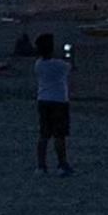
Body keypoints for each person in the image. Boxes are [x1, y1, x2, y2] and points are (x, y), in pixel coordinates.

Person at [34, 32, 73, 177]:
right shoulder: (59, 65)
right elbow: (70, 67)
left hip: (43, 100)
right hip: (59, 101)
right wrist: (69, 55)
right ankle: (62, 165)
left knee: (44, 134)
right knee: (59, 135)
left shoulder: (38, 64)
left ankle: (41, 166)